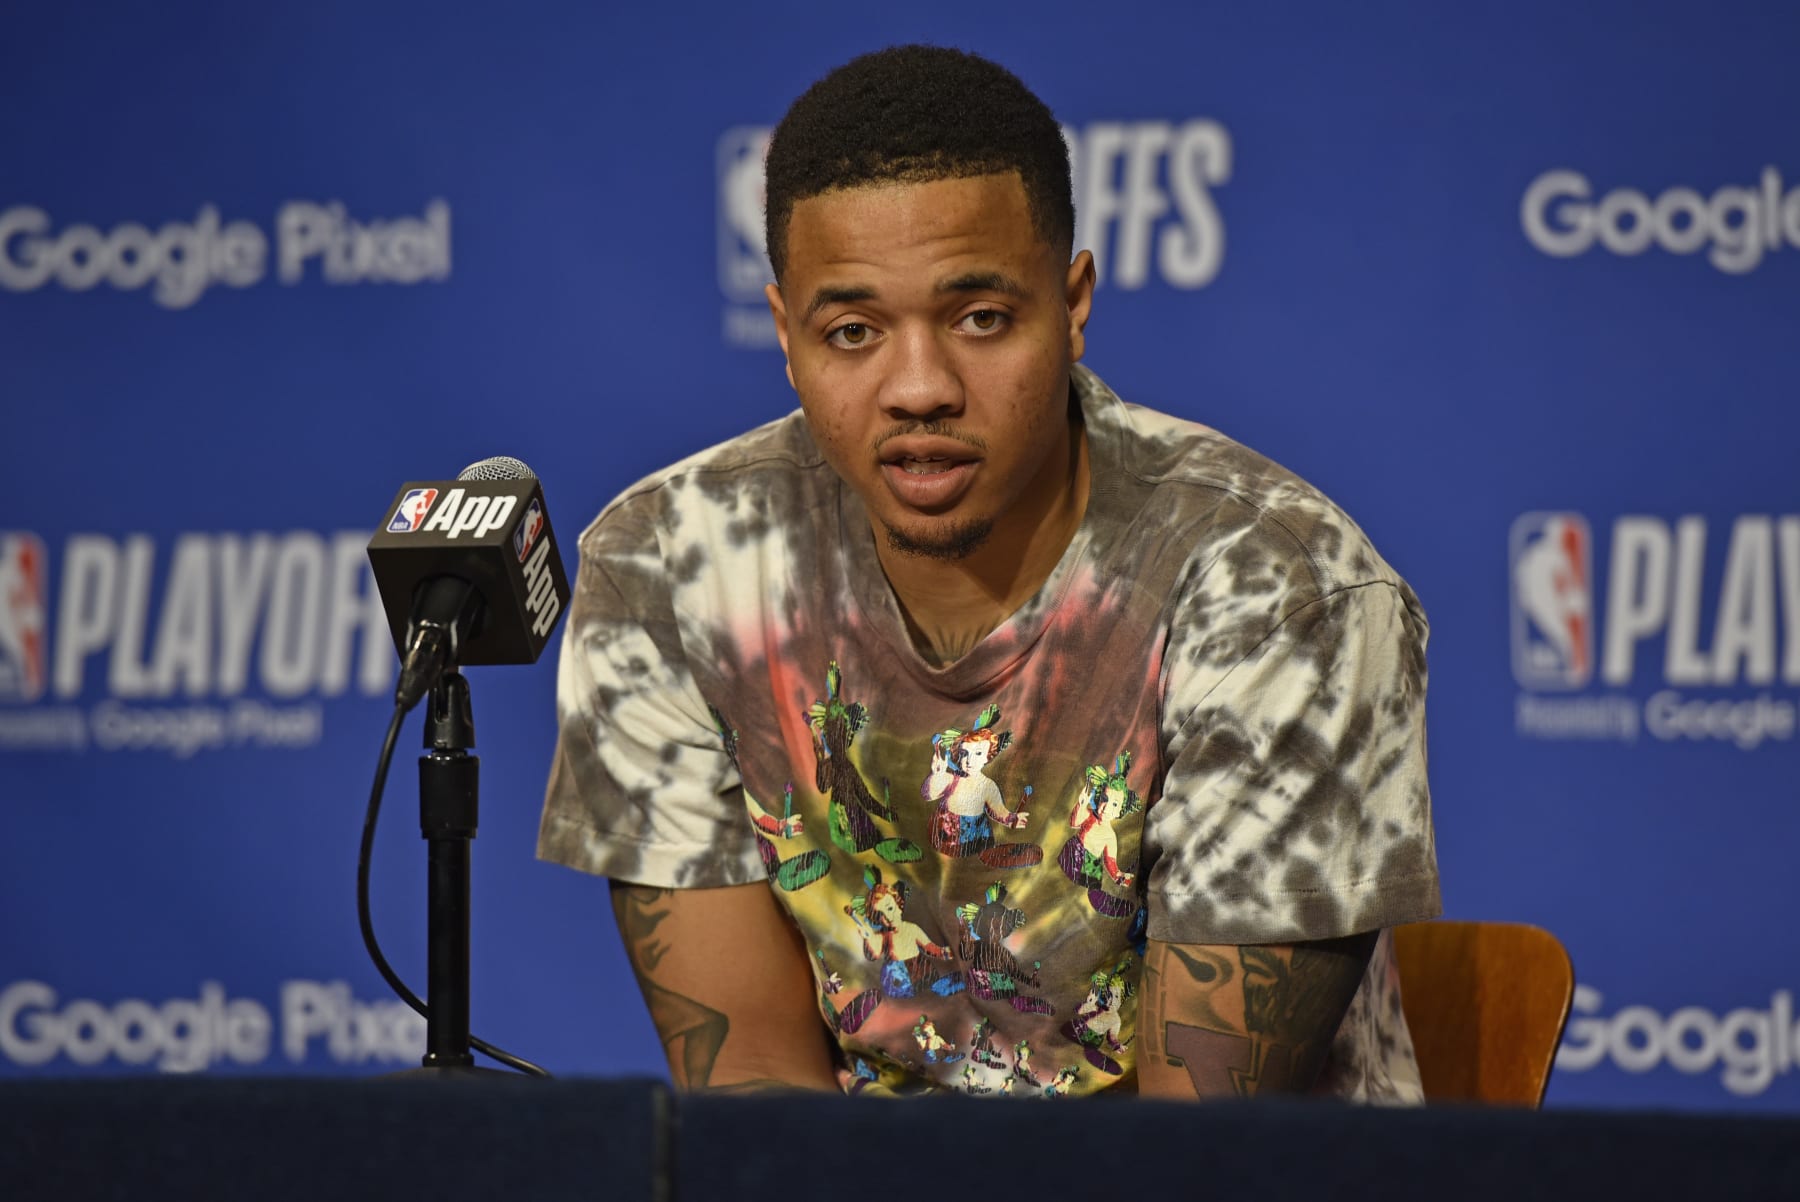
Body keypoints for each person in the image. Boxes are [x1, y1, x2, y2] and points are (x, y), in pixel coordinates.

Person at [538, 43, 1440, 1100]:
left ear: (1073, 305)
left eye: (980, 318)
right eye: (853, 331)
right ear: (787, 337)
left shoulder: (1275, 588)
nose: (919, 387)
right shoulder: (670, 568)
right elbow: (756, 1087)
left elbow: (1204, 1145)